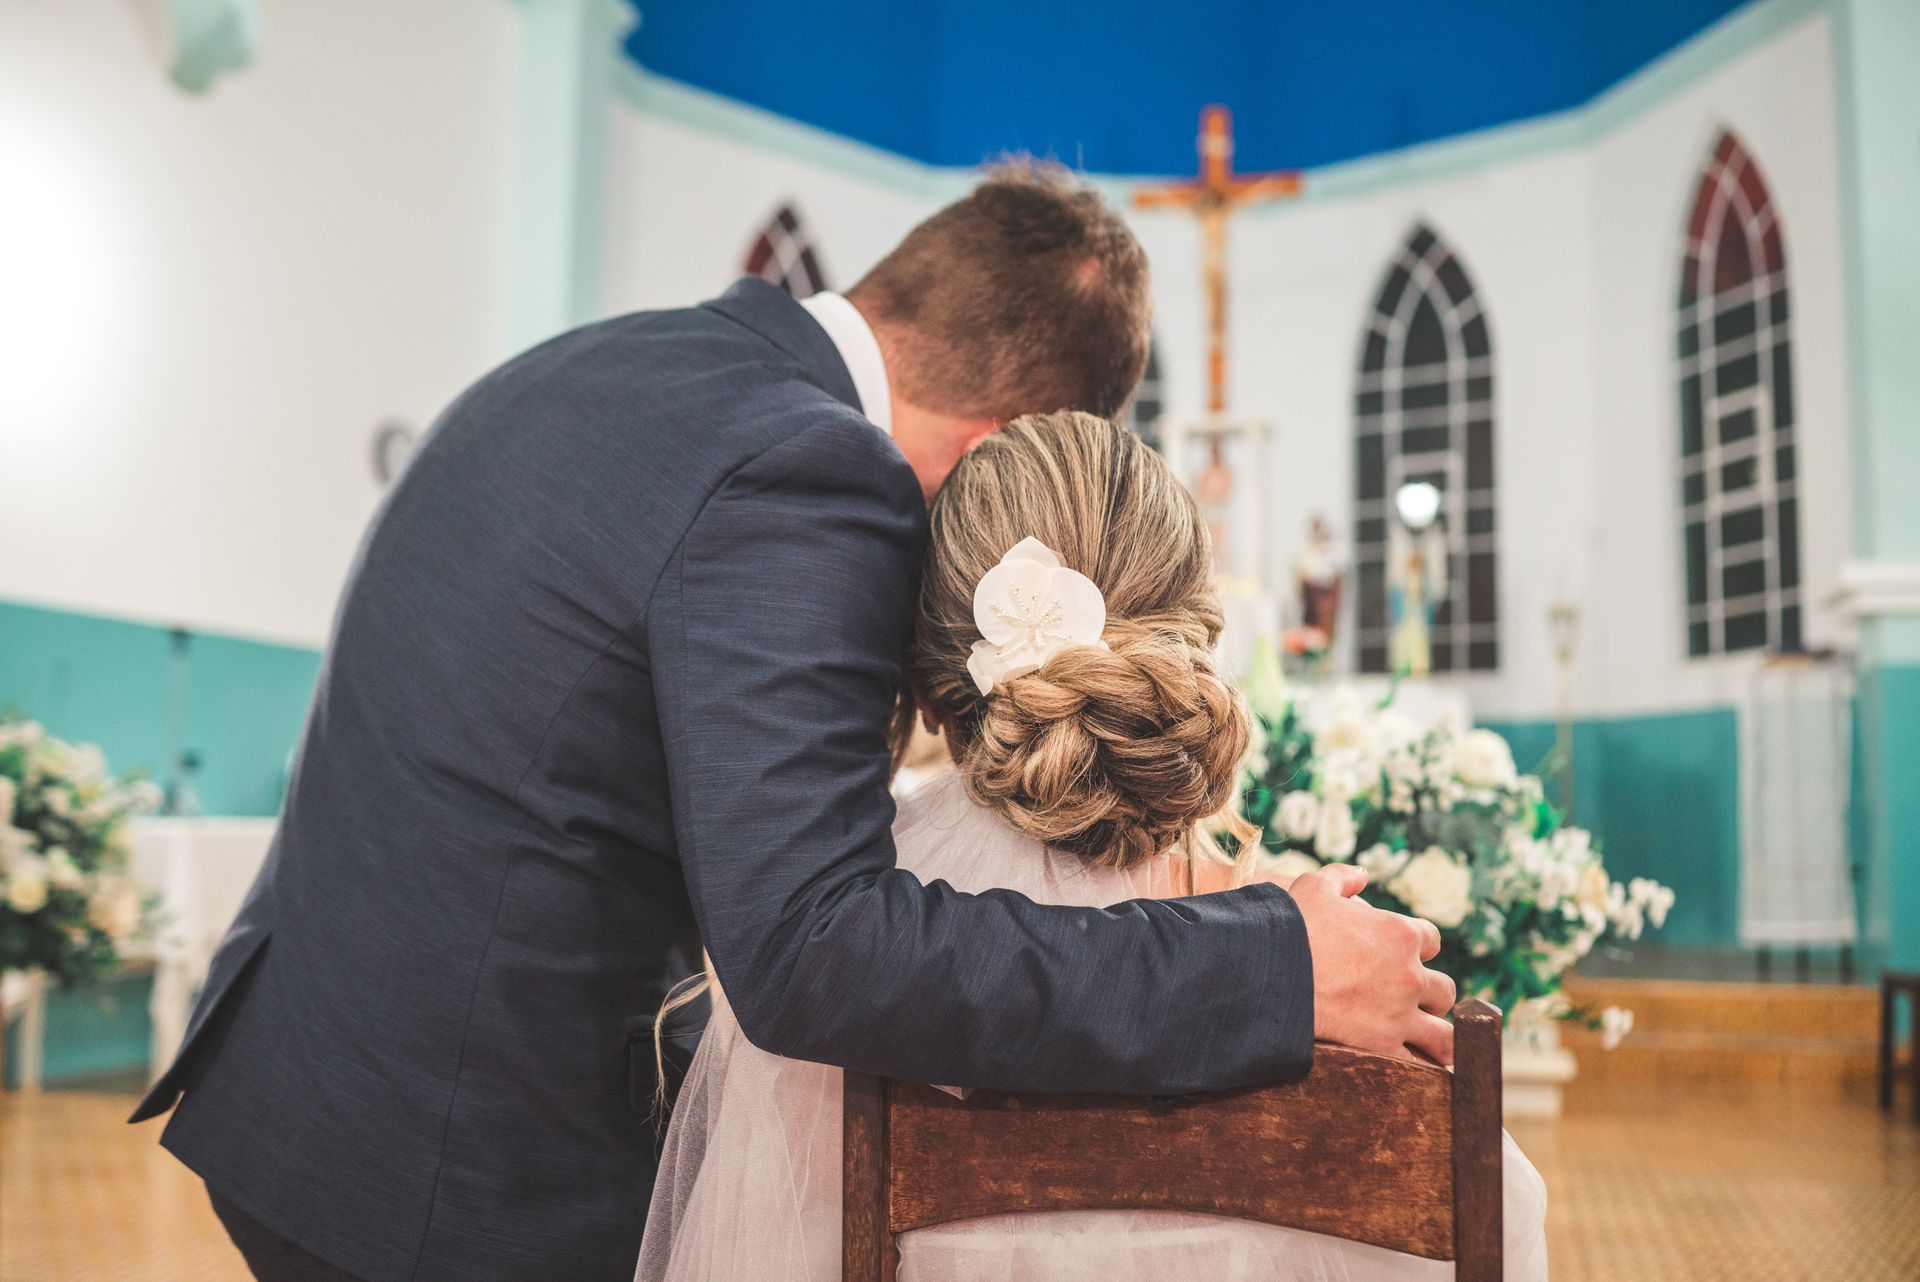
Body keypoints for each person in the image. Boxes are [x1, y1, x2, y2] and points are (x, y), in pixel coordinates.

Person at [132, 166, 1450, 1282]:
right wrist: (1274, 962)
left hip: (314, 1091)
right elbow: (818, 946)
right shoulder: (810, 466)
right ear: (1016, 438)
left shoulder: (624, 364)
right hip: (458, 1178)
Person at [637, 412, 1547, 1281]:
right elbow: (1500, 1219)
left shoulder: (855, 955)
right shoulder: (1336, 971)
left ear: (926, 678)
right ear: (1200, 638)